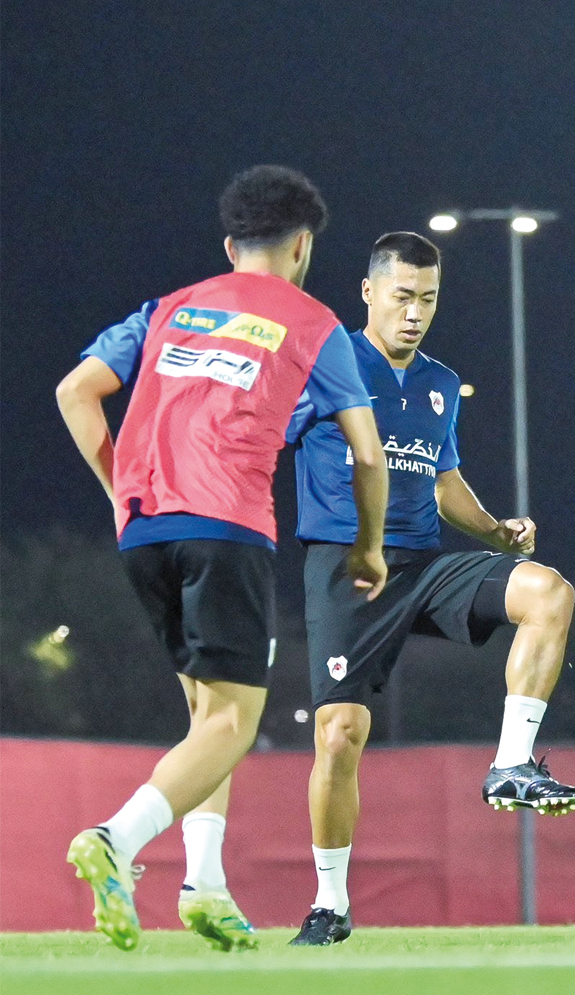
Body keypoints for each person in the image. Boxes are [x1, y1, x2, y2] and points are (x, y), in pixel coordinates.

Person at [55, 165, 389, 952]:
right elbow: (367, 455)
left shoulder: (168, 307)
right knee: (237, 719)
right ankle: (115, 838)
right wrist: (369, 546)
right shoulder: (314, 324)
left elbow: (76, 391)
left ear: (230, 244)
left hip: (143, 529)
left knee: (210, 716)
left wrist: (117, 488)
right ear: (303, 245)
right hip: (227, 525)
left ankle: (204, 883)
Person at [286, 231, 575, 946]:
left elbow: (442, 478)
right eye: (402, 297)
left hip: (422, 566)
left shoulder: (441, 383)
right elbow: (266, 434)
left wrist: (496, 532)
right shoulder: (325, 365)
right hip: (347, 567)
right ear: (367, 292)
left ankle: (510, 762)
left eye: (428, 299)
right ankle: (330, 902)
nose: (415, 313)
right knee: (340, 734)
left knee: (549, 593)